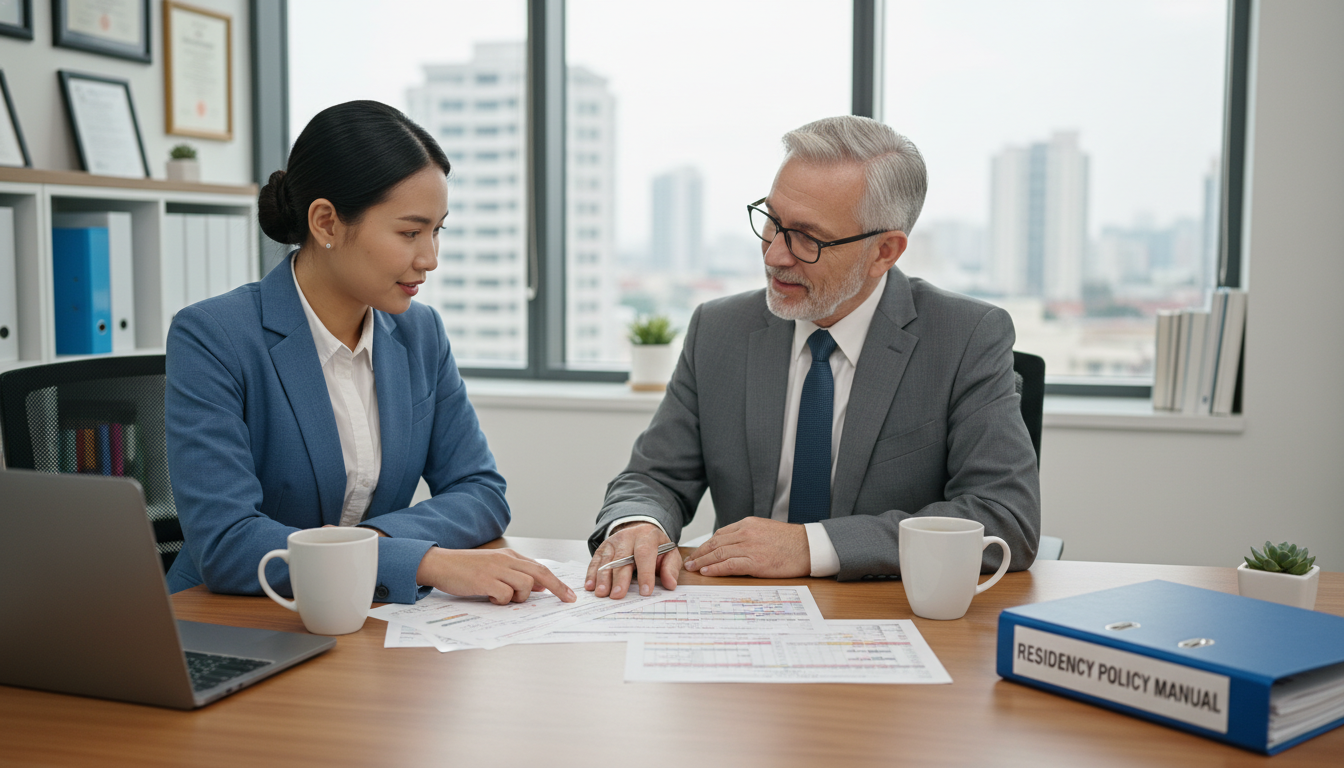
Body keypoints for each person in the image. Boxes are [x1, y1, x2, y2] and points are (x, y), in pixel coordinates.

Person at [585, 115, 1040, 599]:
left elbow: (1004, 516)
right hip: (741, 611)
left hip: (883, 611)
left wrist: (812, 545)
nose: (774, 255)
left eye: (808, 238)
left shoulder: (964, 337)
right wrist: (640, 522)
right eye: (772, 221)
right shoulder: (719, 330)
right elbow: (654, 475)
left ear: (884, 252)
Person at [165, 100, 573, 606]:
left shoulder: (420, 332)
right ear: (326, 223)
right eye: (409, 232)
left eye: (437, 230)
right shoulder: (213, 337)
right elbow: (227, 543)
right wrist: (420, 560)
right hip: (233, 619)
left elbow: (480, 491)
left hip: (365, 614)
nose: (430, 258)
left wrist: (372, 546)